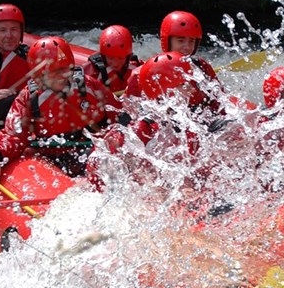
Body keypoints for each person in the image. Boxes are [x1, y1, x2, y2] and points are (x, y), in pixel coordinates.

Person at [87, 51, 242, 192]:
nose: (192, 89)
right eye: (184, 85)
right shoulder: (144, 129)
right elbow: (97, 161)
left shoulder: (199, 119)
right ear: (162, 92)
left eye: (189, 83)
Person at [0, 36, 123, 183]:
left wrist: (114, 139)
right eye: (55, 71)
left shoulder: (88, 85)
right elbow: (13, 136)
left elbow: (120, 116)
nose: (63, 75)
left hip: (92, 150)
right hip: (54, 156)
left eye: (66, 68)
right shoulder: (28, 97)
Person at [124, 11, 221, 97]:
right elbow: (128, 112)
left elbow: (221, 100)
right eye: (181, 40)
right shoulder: (141, 74)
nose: (187, 47)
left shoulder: (201, 67)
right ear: (167, 41)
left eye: (191, 41)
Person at [82, 25, 141, 93]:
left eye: (120, 58)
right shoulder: (93, 71)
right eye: (111, 58)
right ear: (103, 56)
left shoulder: (136, 66)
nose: (116, 63)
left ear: (128, 56)